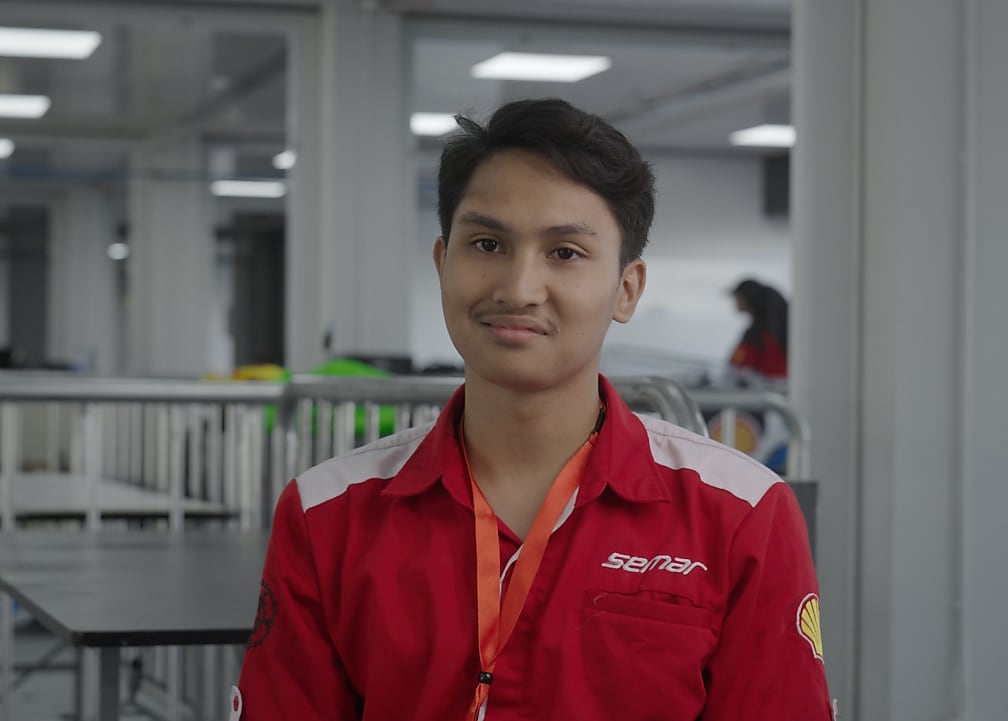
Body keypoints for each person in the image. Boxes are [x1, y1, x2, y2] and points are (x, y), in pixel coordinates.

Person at [231, 98, 831, 720]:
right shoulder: (328, 513)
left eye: (565, 253)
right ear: (443, 263)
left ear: (626, 289)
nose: (518, 289)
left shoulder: (741, 515)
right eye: (487, 244)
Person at [728, 278, 789, 383]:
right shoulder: (777, 324)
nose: (735, 302)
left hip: (770, 388)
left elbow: (737, 365)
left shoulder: (758, 334)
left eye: (738, 297)